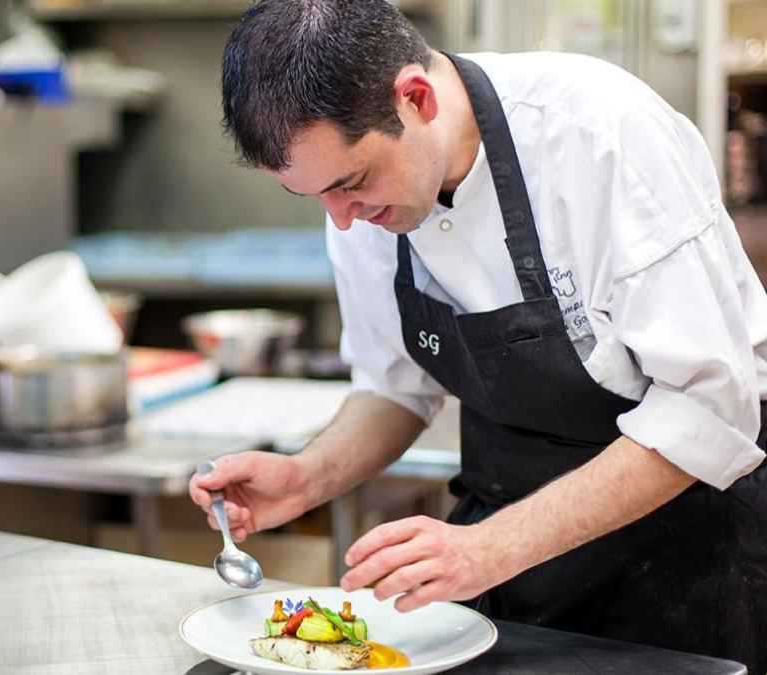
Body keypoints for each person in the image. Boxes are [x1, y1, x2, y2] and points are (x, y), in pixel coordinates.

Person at [189, 0, 767, 670]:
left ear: (415, 97)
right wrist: (305, 476)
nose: (342, 222)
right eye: (314, 197)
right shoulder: (361, 206)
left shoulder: (600, 134)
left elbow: (709, 406)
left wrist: (489, 547)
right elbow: (396, 387)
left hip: (686, 569)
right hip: (513, 570)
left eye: (350, 184)